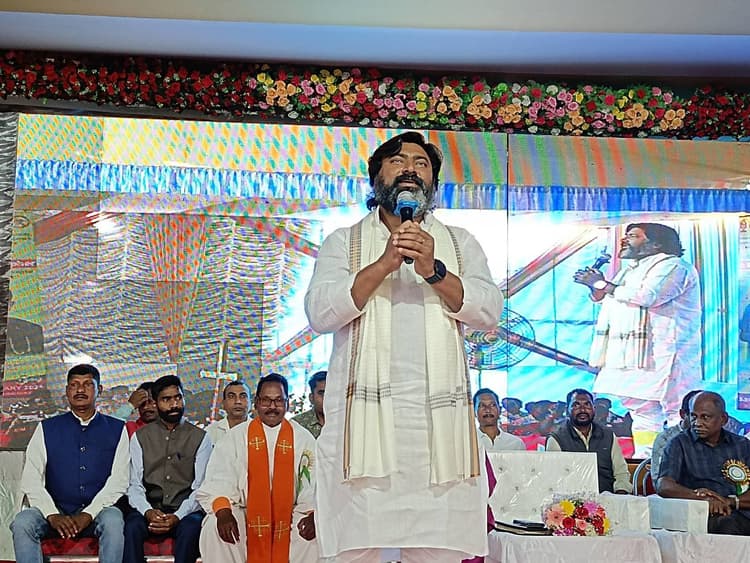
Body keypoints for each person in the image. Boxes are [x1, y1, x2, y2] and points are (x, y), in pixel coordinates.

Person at [305, 131, 503, 562]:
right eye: (397, 161)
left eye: (421, 163)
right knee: (353, 552)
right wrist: (383, 264)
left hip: (438, 439)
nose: (410, 169)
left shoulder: (459, 243)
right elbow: (320, 313)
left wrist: (434, 271)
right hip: (361, 438)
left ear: (432, 182)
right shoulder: (345, 242)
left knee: (438, 553)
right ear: (376, 176)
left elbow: (489, 311)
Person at [573, 222, 702, 456]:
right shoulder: (631, 270)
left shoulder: (674, 266)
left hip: (666, 353)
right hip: (632, 355)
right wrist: (596, 286)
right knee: (642, 411)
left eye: (633, 236)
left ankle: (679, 460)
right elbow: (612, 299)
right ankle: (646, 459)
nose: (624, 240)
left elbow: (648, 296)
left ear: (656, 243)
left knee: (677, 411)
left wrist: (603, 284)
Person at [10, 364, 129, 563]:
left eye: (87, 384)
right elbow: (31, 480)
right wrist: (52, 515)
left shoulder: (117, 429)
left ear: (99, 390)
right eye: (74, 385)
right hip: (55, 510)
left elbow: (119, 481)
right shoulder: (46, 428)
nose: (80, 390)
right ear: (67, 391)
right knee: (23, 522)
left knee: (114, 521)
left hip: (98, 511)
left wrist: (88, 514)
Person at [197, 373, 318, 563]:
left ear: (287, 403)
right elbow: (219, 480)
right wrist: (223, 512)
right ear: (256, 403)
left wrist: (312, 514)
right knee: (214, 528)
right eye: (266, 400)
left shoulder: (303, 438)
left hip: (290, 514)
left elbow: (313, 484)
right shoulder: (235, 437)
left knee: (314, 535)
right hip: (245, 512)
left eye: (278, 400)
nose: (272, 407)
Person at [124, 375, 211, 563]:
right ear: (155, 403)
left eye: (178, 398)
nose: (174, 405)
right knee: (132, 527)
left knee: (191, 528)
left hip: (186, 510)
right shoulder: (140, 437)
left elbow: (201, 487)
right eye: (166, 399)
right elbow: (134, 485)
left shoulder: (201, 437)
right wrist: (147, 512)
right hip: (149, 507)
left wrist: (178, 516)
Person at [657, 391, 750, 535]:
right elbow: (664, 485)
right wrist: (703, 499)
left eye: (705, 417)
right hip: (703, 515)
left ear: (723, 419)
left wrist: (730, 501)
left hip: (741, 509)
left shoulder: (742, 445)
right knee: (728, 524)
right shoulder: (679, 444)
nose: (697, 423)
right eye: (694, 416)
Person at [546, 389, 632, 494]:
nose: (582, 410)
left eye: (587, 405)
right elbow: (555, 479)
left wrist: (620, 493)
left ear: (593, 408)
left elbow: (621, 472)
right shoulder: (556, 439)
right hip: (572, 500)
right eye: (576, 405)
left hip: (608, 497)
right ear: (567, 409)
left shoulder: (608, 435)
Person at [650, 389, 701, 477]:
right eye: (695, 416)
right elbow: (658, 477)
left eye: (706, 417)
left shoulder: (715, 436)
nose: (700, 422)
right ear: (683, 414)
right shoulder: (666, 438)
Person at [204, 380, 251, 446]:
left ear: (251, 401)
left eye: (243, 396)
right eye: (231, 397)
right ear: (223, 403)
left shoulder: (261, 430)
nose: (237, 401)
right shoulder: (210, 432)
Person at [291, 370, 326, 438]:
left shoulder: (344, 422)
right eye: (321, 393)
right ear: (311, 398)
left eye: (330, 393)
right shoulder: (297, 424)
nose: (326, 398)